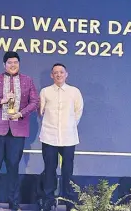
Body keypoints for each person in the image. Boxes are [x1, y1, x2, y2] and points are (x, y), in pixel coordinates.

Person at [0, 51, 39, 211]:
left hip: (17, 130)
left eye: (15, 62)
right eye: (9, 63)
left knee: (14, 168)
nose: (13, 65)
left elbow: (35, 101)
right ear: (4, 65)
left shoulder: (28, 80)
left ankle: (14, 204)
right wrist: (1, 101)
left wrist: (21, 113)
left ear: (19, 64)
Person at [39, 63, 83, 211]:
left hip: (68, 137)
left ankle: (69, 201)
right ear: (51, 75)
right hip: (49, 137)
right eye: (55, 73)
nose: (58, 75)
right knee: (49, 169)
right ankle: (48, 201)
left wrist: (69, 126)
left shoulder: (74, 91)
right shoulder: (45, 91)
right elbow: (41, 112)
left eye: (61, 72)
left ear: (66, 74)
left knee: (67, 171)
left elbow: (78, 112)